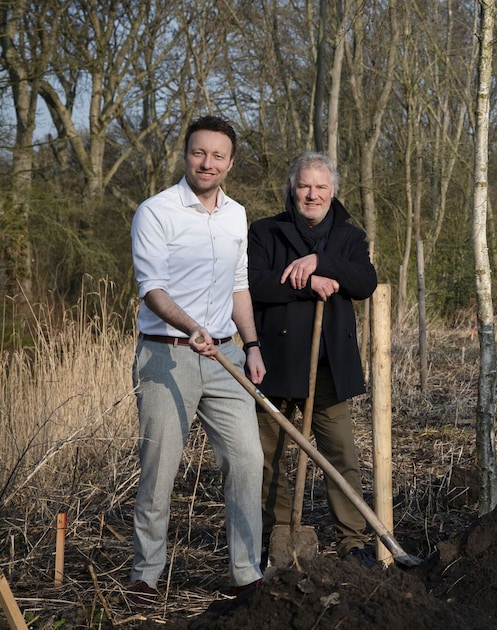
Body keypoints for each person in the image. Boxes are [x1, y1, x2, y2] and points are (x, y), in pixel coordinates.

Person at [129, 115, 264, 605]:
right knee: (159, 466)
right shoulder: (156, 211)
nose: (207, 163)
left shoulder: (236, 214)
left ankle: (246, 574)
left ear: (230, 163)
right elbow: (152, 290)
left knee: (248, 461)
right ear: (186, 154)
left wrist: (250, 345)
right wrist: (192, 328)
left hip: (226, 355)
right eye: (198, 153)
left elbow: (238, 285)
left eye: (218, 156)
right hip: (168, 356)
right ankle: (145, 574)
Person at [248, 151, 379, 568]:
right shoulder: (266, 232)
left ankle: (352, 541)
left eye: (321, 187)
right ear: (292, 187)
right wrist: (310, 283)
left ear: (333, 191)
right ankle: (280, 533)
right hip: (276, 364)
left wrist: (321, 261)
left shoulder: (349, 238)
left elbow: (365, 282)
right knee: (269, 458)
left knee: (341, 456)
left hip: (329, 368)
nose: (312, 194)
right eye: (305, 185)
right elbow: (254, 284)